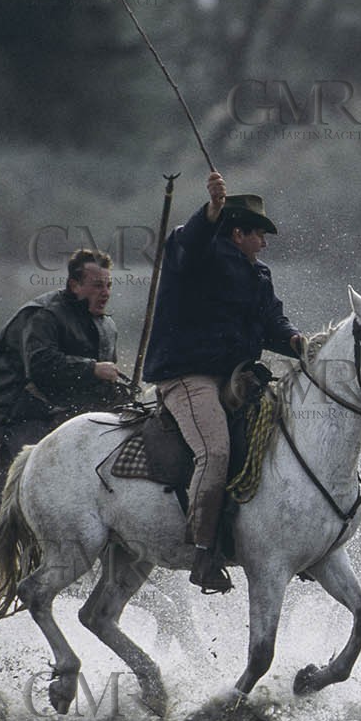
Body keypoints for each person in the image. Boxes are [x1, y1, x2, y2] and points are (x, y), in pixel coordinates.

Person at [142, 171, 307, 594]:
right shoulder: (198, 255)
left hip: (234, 379)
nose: (264, 244)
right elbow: (191, 240)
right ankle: (203, 550)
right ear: (238, 233)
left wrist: (295, 341)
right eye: (259, 235)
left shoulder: (259, 274)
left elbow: (272, 321)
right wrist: (212, 209)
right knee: (215, 452)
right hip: (187, 376)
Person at [0, 247, 124, 468]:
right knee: (35, 470)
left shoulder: (107, 326)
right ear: (74, 285)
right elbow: (41, 365)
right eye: (97, 286)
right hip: (23, 414)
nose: (105, 293)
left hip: (71, 415)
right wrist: (92, 369)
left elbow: (97, 384)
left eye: (108, 285)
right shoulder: (43, 316)